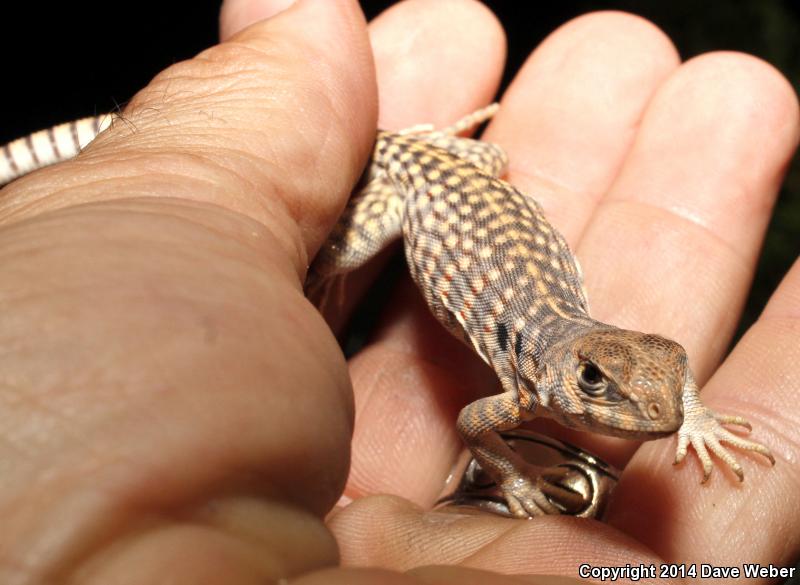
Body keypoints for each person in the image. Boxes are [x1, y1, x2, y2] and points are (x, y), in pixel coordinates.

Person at [1, 0, 797, 582]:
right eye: (602, 385)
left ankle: (415, 151)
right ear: (573, 375)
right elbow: (469, 419)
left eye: (653, 387)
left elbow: (664, 363)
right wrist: (515, 477)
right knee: (339, 255)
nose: (645, 411)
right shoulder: (521, 400)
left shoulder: (598, 369)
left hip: (454, 180)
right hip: (417, 181)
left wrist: (691, 411)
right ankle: (406, 153)